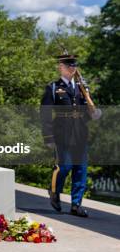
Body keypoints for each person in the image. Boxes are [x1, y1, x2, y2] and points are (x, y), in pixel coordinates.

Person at [40, 53, 101, 217]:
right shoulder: (53, 88)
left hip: (80, 133)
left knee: (80, 170)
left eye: (74, 66)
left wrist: (94, 114)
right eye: (69, 66)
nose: (72, 68)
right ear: (61, 67)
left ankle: (76, 204)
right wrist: (48, 137)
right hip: (62, 133)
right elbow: (45, 114)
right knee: (64, 167)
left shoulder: (83, 89)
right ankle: (54, 191)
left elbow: (87, 113)